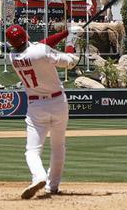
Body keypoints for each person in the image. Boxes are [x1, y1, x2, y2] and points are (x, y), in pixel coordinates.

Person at [5, 24, 79, 199]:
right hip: (58, 102)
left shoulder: (12, 56)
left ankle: (38, 176)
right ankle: (52, 186)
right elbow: (71, 61)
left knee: (32, 150)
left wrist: (64, 33)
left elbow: (41, 46)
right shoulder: (40, 51)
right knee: (58, 146)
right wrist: (72, 40)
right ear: (26, 35)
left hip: (36, 106)